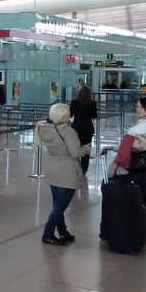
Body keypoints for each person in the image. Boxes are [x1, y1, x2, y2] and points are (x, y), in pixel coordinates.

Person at [35, 103, 84, 245]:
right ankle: (48, 233)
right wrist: (86, 150)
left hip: (53, 170)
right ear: (64, 117)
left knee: (58, 204)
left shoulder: (45, 129)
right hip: (67, 172)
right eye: (69, 113)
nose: (71, 115)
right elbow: (75, 153)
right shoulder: (67, 131)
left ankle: (63, 232)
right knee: (59, 207)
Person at [115, 96, 146, 221]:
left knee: (139, 188)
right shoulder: (143, 121)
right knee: (144, 191)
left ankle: (143, 218)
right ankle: (143, 218)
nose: (138, 109)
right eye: (137, 106)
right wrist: (118, 147)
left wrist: (126, 144)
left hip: (140, 161)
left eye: (141, 107)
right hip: (135, 161)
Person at [69, 85, 97, 173]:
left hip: (76, 128)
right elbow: (94, 116)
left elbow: (70, 114)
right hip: (88, 129)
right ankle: (84, 170)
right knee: (87, 149)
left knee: (75, 148)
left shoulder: (74, 102)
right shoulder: (92, 103)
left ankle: (75, 168)